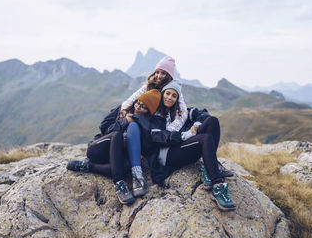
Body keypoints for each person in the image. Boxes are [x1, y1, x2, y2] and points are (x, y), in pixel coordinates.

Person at [146, 80, 236, 211]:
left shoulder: (181, 113)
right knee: (205, 139)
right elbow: (158, 137)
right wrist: (186, 135)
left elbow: (203, 113)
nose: (170, 98)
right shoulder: (154, 115)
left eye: (174, 95)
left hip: (184, 147)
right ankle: (218, 185)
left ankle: (208, 168)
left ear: (177, 99)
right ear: (162, 94)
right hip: (168, 154)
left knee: (212, 121)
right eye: (168, 93)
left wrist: (197, 124)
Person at [66, 89, 161, 205]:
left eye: (143, 107)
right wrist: (124, 121)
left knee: (125, 166)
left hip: (114, 157)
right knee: (116, 135)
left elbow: (147, 146)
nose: (138, 107)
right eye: (138, 102)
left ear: (149, 112)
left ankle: (89, 166)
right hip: (98, 149)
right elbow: (104, 128)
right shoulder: (122, 110)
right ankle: (119, 184)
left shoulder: (146, 124)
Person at [121, 56, 188, 132]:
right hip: (143, 121)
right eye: (157, 72)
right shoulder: (148, 86)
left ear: (169, 76)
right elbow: (130, 101)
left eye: (163, 73)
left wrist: (169, 131)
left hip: (158, 125)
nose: (159, 76)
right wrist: (125, 116)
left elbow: (183, 113)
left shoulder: (174, 90)